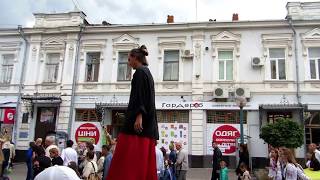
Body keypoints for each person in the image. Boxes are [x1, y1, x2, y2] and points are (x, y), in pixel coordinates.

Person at [107, 45, 159, 180]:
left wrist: (138, 115)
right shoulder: (147, 72)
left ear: (136, 58)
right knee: (143, 163)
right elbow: (149, 100)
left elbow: (139, 96)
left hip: (137, 126)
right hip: (148, 127)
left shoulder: (140, 73)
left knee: (127, 161)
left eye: (129, 59)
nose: (128, 62)